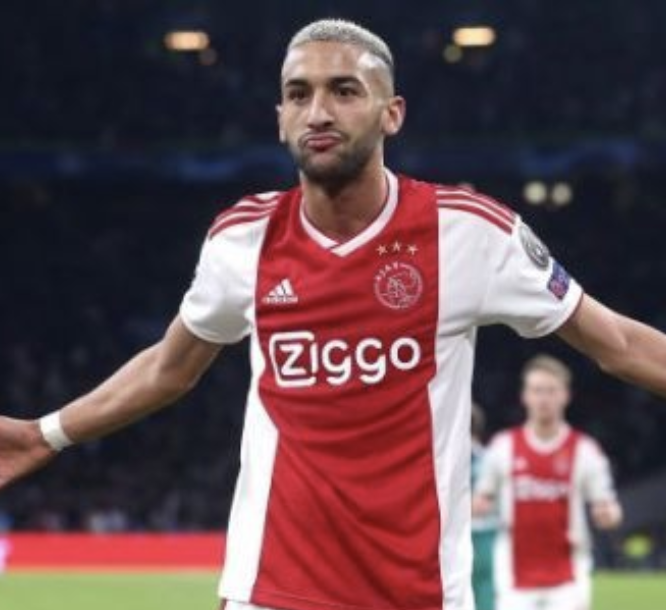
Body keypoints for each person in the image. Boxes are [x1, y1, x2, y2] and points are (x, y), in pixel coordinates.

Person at [0, 18, 665, 610]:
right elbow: (167, 369)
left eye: (344, 91)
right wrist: (44, 434)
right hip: (270, 590)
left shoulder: (469, 233)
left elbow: (617, 344)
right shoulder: (241, 240)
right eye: (299, 94)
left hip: (420, 594)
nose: (318, 111)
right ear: (280, 118)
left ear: (392, 113)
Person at [473, 355, 623, 610]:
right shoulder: (502, 447)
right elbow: (481, 499)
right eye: (537, 390)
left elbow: (609, 508)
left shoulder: (585, 450)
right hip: (513, 579)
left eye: (551, 391)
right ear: (525, 396)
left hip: (569, 579)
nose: (544, 399)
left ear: (565, 395)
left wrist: (609, 515)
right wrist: (475, 506)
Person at [471, 404, 498, 610]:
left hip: (483, 534)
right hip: (488, 534)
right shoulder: (492, 458)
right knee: (485, 589)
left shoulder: (489, 460)